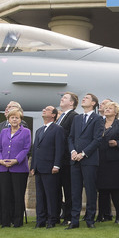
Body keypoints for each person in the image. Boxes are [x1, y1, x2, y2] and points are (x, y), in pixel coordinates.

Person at [66, 93, 103, 229]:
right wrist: (73, 152)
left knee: (90, 190)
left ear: (93, 103)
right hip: (75, 160)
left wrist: (83, 153)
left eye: (87, 98)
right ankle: (74, 220)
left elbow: (97, 139)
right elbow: (70, 137)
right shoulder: (77, 118)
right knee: (75, 191)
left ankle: (90, 219)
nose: (83, 99)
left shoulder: (98, 119)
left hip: (89, 160)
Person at [0, 108, 31, 228]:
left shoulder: (26, 132)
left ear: (20, 120)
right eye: (12, 117)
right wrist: (0, 160)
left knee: (18, 195)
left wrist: (16, 160)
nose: (14, 120)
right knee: (5, 195)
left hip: (19, 169)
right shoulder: (4, 132)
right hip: (4, 168)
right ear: (8, 119)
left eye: (17, 118)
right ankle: (5, 221)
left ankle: (17, 221)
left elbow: (26, 148)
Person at [0, 101, 23, 226]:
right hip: (0, 163)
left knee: (14, 194)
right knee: (1, 192)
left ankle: (14, 218)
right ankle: (2, 218)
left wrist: (13, 160)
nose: (7, 109)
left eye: (10, 108)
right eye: (7, 108)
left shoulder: (22, 126)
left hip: (14, 165)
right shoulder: (2, 126)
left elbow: (24, 148)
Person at [30, 105, 64, 228]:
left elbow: (60, 149)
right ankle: (40, 220)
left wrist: (56, 165)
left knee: (51, 196)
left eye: (48, 110)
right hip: (39, 167)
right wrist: (33, 166)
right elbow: (35, 150)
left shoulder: (57, 129)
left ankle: (52, 220)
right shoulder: (39, 130)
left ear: (54, 115)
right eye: (43, 109)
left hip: (50, 167)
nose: (44, 110)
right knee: (40, 196)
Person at [97, 101, 119, 223]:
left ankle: (118, 215)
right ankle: (101, 215)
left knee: (116, 190)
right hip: (101, 160)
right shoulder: (99, 123)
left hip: (115, 161)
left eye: (110, 108)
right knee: (102, 189)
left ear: (116, 112)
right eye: (106, 108)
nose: (107, 109)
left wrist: (118, 143)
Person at [55, 92, 78, 224]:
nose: (62, 99)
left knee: (68, 189)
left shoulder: (73, 116)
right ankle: (59, 214)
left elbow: (71, 135)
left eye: (65, 98)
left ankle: (69, 216)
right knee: (59, 189)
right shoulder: (61, 117)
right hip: (59, 158)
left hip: (67, 159)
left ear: (71, 103)